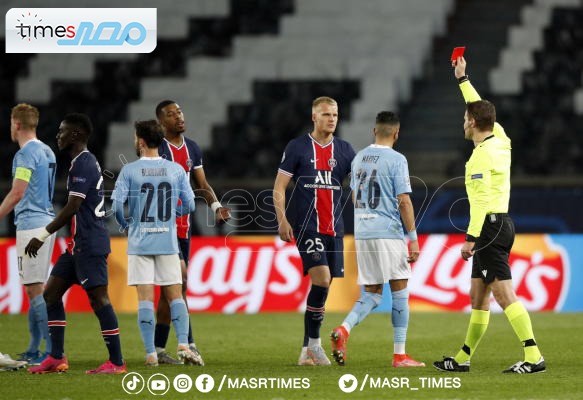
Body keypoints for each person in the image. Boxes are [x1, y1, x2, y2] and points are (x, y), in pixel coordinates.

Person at [433, 57, 545, 374]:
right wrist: (462, 78)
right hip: (499, 224)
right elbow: (479, 107)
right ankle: (463, 358)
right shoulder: (501, 139)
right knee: (478, 296)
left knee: (504, 294)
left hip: (489, 228)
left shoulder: (481, 157)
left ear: (472, 123)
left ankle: (534, 356)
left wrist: (470, 239)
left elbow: (480, 202)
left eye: (465, 118)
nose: (463, 122)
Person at [26, 113, 126, 374]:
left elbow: (73, 206)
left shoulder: (84, 163)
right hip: (77, 245)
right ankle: (56, 357)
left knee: (99, 299)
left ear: (76, 134)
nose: (57, 135)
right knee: (51, 294)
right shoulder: (80, 162)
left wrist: (43, 235)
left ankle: (116, 362)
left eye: (62, 131)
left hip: (90, 243)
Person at [330, 111, 424, 368]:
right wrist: (413, 238)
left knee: (372, 294)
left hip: (363, 233)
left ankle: (344, 329)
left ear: (374, 131)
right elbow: (404, 201)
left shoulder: (359, 158)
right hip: (388, 233)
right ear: (396, 133)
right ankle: (400, 356)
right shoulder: (397, 159)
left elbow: (353, 196)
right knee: (400, 292)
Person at [111, 119, 202, 367]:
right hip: (167, 242)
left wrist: (125, 225)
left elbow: (116, 206)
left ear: (141, 141)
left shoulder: (129, 171)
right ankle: (183, 344)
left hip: (140, 243)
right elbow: (191, 205)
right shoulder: (175, 170)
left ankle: (151, 353)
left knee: (145, 299)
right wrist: (173, 213)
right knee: (175, 296)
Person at [273, 96, 356, 366]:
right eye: (326, 114)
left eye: (335, 114)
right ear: (314, 117)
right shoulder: (297, 147)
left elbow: (357, 187)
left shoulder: (344, 150)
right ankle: (315, 345)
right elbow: (279, 187)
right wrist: (282, 220)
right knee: (321, 279)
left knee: (324, 286)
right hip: (307, 227)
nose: (331, 119)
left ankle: (307, 349)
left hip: (335, 228)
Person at [152, 100, 230, 364]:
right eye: (171, 114)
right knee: (180, 282)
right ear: (161, 122)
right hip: (162, 227)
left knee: (170, 290)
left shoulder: (192, 148)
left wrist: (216, 206)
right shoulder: (156, 148)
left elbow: (202, 184)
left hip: (184, 228)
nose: (179, 117)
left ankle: (158, 349)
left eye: (180, 112)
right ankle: (189, 345)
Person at [0, 104, 55, 365]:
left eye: (11, 123)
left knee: (34, 290)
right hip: (46, 222)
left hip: (31, 224)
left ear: (17, 124)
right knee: (36, 287)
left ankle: (52, 352)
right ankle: (34, 348)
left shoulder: (25, 154)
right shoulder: (47, 150)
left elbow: (17, 192)